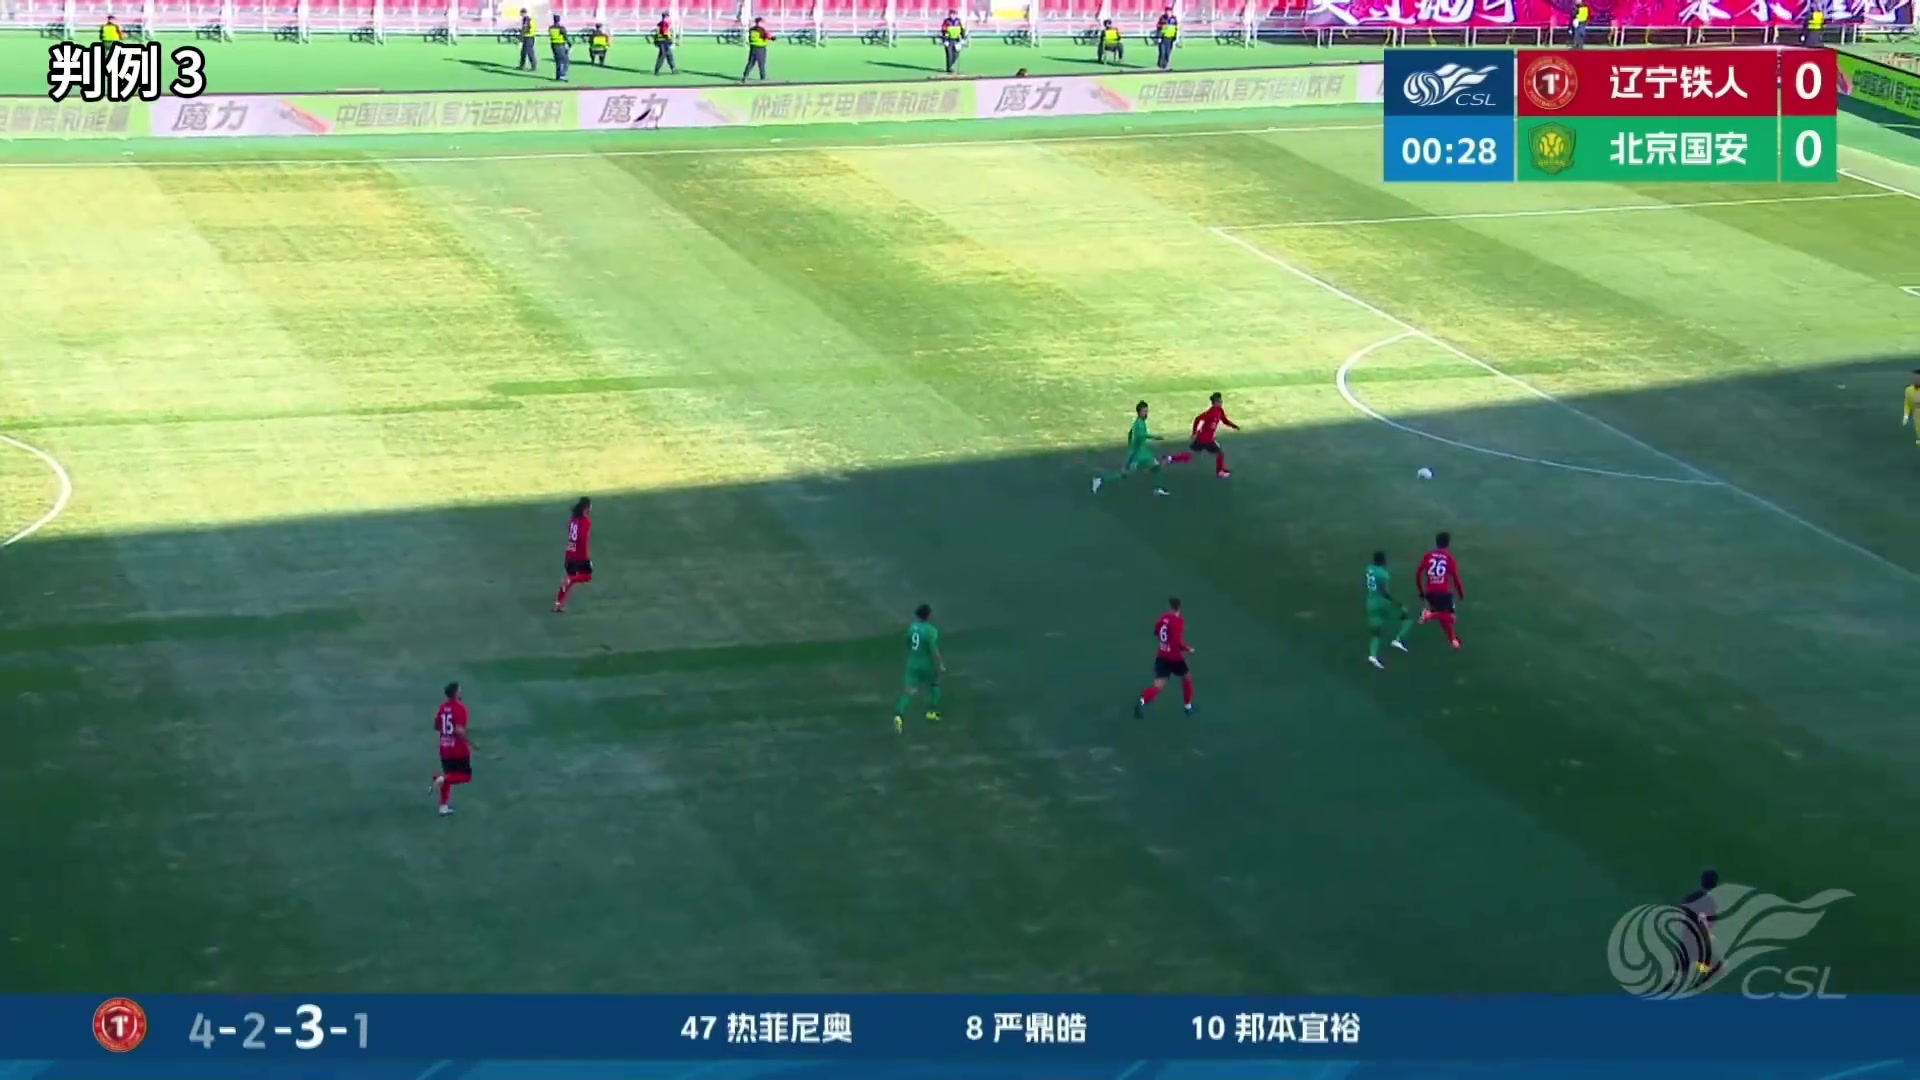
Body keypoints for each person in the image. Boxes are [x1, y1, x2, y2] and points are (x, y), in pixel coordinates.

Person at [1092, 401, 1169, 497]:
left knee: (1156, 467)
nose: (1146, 413)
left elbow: (1130, 433)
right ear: (1139, 412)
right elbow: (1142, 435)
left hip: (1144, 452)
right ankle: (1100, 479)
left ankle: (1157, 489)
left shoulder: (1141, 422)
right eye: (1144, 411)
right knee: (1124, 474)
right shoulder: (1138, 424)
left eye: (1147, 411)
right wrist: (1155, 437)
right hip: (1137, 455)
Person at [1135, 597, 1194, 716]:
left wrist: (1166, 642)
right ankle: (1188, 707)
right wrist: (1189, 649)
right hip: (1175, 658)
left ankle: (1142, 700)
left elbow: (1156, 632)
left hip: (1162, 656)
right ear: (1179, 608)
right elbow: (1179, 642)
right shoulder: (1179, 622)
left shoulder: (1163, 618)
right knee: (1187, 677)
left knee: (1158, 686)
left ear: (1170, 607)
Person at [894, 603, 945, 733]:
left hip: (912, 664)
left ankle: (899, 715)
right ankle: (931, 712)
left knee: (909, 691)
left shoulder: (912, 627)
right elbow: (933, 650)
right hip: (926, 665)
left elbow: (907, 642)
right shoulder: (931, 630)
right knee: (934, 685)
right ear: (929, 615)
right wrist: (940, 664)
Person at [1164, 391, 1239, 478]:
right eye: (1220, 401)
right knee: (1220, 453)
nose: (1222, 402)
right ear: (1215, 402)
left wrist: (1233, 426)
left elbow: (1224, 420)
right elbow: (1197, 419)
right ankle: (1220, 472)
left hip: (1201, 438)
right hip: (1206, 439)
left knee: (1191, 455)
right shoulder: (1210, 413)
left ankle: (1171, 458)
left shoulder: (1219, 410)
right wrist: (1194, 432)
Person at [1365, 551, 1414, 669]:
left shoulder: (1369, 569)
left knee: (1376, 632)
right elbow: (1385, 592)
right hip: (1382, 604)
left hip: (1370, 602)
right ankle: (1398, 639)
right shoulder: (1383, 574)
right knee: (1406, 617)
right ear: (1383, 561)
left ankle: (1372, 655)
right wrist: (1398, 603)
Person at [429, 682, 472, 816]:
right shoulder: (460, 708)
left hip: (445, 748)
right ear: (456, 693)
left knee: (448, 776)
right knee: (465, 776)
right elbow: (459, 730)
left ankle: (443, 807)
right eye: (460, 690)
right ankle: (440, 779)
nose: (461, 692)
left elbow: (436, 725)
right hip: (458, 749)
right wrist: (472, 744)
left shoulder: (443, 707)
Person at [1416, 531, 1464, 649]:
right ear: (1448, 543)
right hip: (1443, 593)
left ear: (1436, 542)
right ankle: (1429, 615)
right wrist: (1460, 593)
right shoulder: (1449, 558)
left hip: (1430, 593)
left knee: (1443, 616)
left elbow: (1418, 573)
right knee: (1451, 617)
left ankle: (1453, 639)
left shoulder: (1428, 555)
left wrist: (1421, 591)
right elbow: (1456, 578)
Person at [554, 497, 593, 613]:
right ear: (586, 507)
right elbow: (583, 539)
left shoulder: (573, 519)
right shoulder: (586, 521)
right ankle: (570, 578)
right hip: (579, 554)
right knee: (586, 577)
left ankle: (558, 604)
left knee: (568, 583)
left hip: (569, 553)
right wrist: (586, 557)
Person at [742, 17, 772, 82]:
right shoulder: (761, 30)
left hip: (753, 47)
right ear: (759, 22)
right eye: (762, 22)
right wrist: (773, 38)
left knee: (751, 63)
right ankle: (763, 77)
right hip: (760, 48)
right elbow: (768, 37)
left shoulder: (752, 30)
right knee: (761, 63)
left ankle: (745, 76)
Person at [939, 9, 966, 74]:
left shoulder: (958, 21)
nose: (953, 16)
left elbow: (962, 30)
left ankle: (951, 65)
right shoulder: (946, 21)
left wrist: (962, 39)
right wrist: (945, 40)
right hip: (949, 40)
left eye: (955, 14)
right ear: (949, 15)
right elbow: (943, 31)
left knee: (956, 54)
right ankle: (949, 68)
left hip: (956, 40)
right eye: (952, 14)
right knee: (949, 55)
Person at [1153, 6, 1178, 70]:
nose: (1169, 13)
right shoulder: (1162, 18)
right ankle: (1161, 66)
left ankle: (1166, 65)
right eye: (1167, 11)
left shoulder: (1174, 19)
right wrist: (1159, 36)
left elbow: (1176, 28)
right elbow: (1158, 27)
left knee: (1168, 52)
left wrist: (1175, 38)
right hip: (1163, 37)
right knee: (1162, 52)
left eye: (1170, 12)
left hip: (1170, 38)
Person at [548, 14, 571, 82]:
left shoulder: (550, 28)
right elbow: (565, 37)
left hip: (553, 45)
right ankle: (562, 76)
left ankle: (558, 76)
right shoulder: (561, 28)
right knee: (565, 61)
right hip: (560, 45)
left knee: (558, 61)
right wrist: (569, 44)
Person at [1904, 369, 1920, 446]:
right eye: (1914, 378)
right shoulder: (1908, 389)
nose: (1916, 379)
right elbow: (1907, 403)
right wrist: (1906, 415)